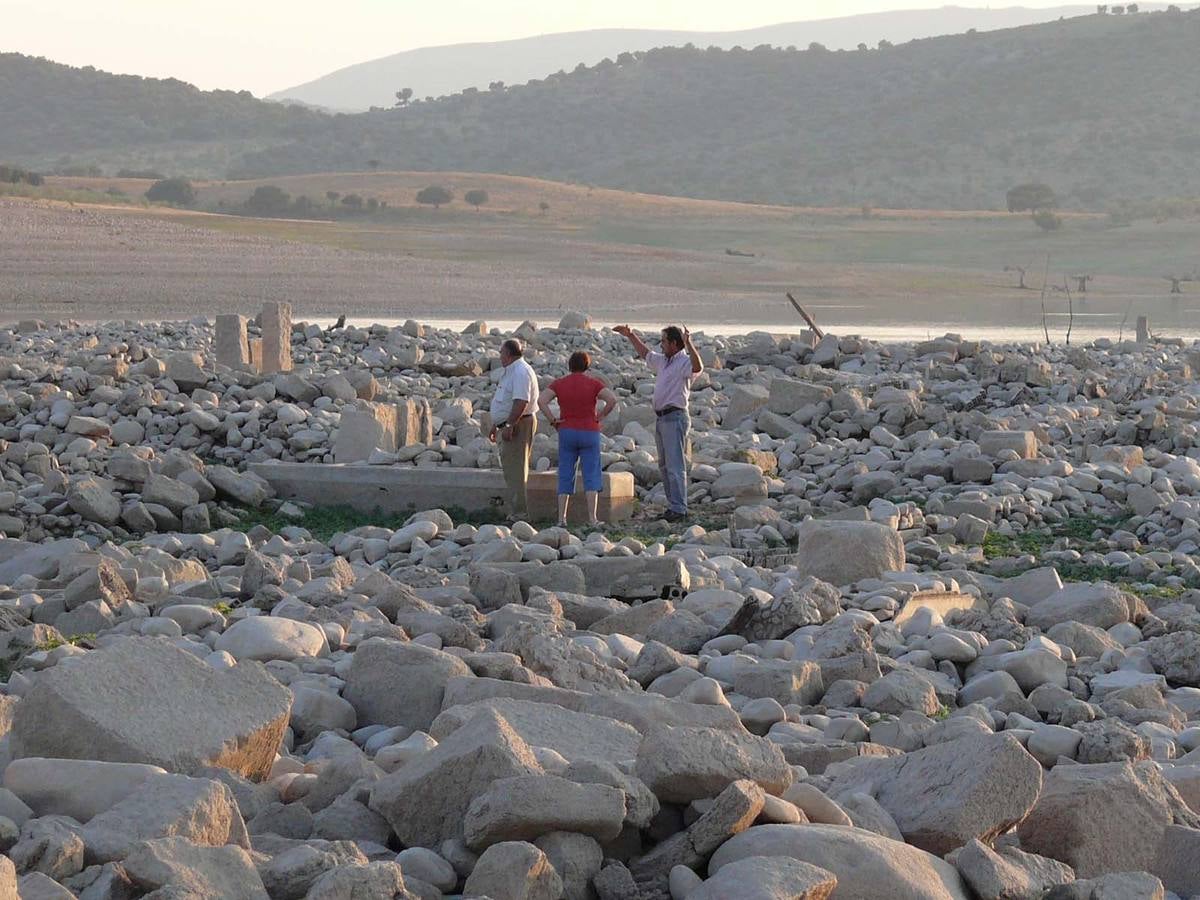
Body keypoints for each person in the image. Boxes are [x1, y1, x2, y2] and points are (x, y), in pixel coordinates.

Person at [614, 324, 702, 521]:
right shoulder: (664, 361)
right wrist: (631, 335)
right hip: (662, 418)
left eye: (664, 341)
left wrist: (689, 344)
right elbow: (646, 354)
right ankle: (674, 506)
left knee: (675, 465)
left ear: (674, 343)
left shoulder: (684, 362)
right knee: (664, 465)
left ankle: (680, 508)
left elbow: (698, 367)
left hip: (675, 417)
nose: (661, 345)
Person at [538, 351, 618, 527]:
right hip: (589, 430)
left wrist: (553, 420)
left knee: (565, 473)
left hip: (566, 430)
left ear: (570, 365)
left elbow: (541, 401)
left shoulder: (559, 383)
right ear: (587, 366)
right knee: (591, 474)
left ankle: (561, 519)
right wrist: (601, 416)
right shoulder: (594, 383)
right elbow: (612, 400)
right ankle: (592, 518)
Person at [488, 338, 539, 519]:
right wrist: (496, 424)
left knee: (516, 470)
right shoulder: (510, 371)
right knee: (510, 470)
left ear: (508, 354)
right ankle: (516, 510)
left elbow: (521, 401)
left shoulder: (520, 372)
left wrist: (510, 424)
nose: (500, 356)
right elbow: (506, 401)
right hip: (508, 424)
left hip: (518, 424)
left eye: (501, 352)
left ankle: (520, 513)